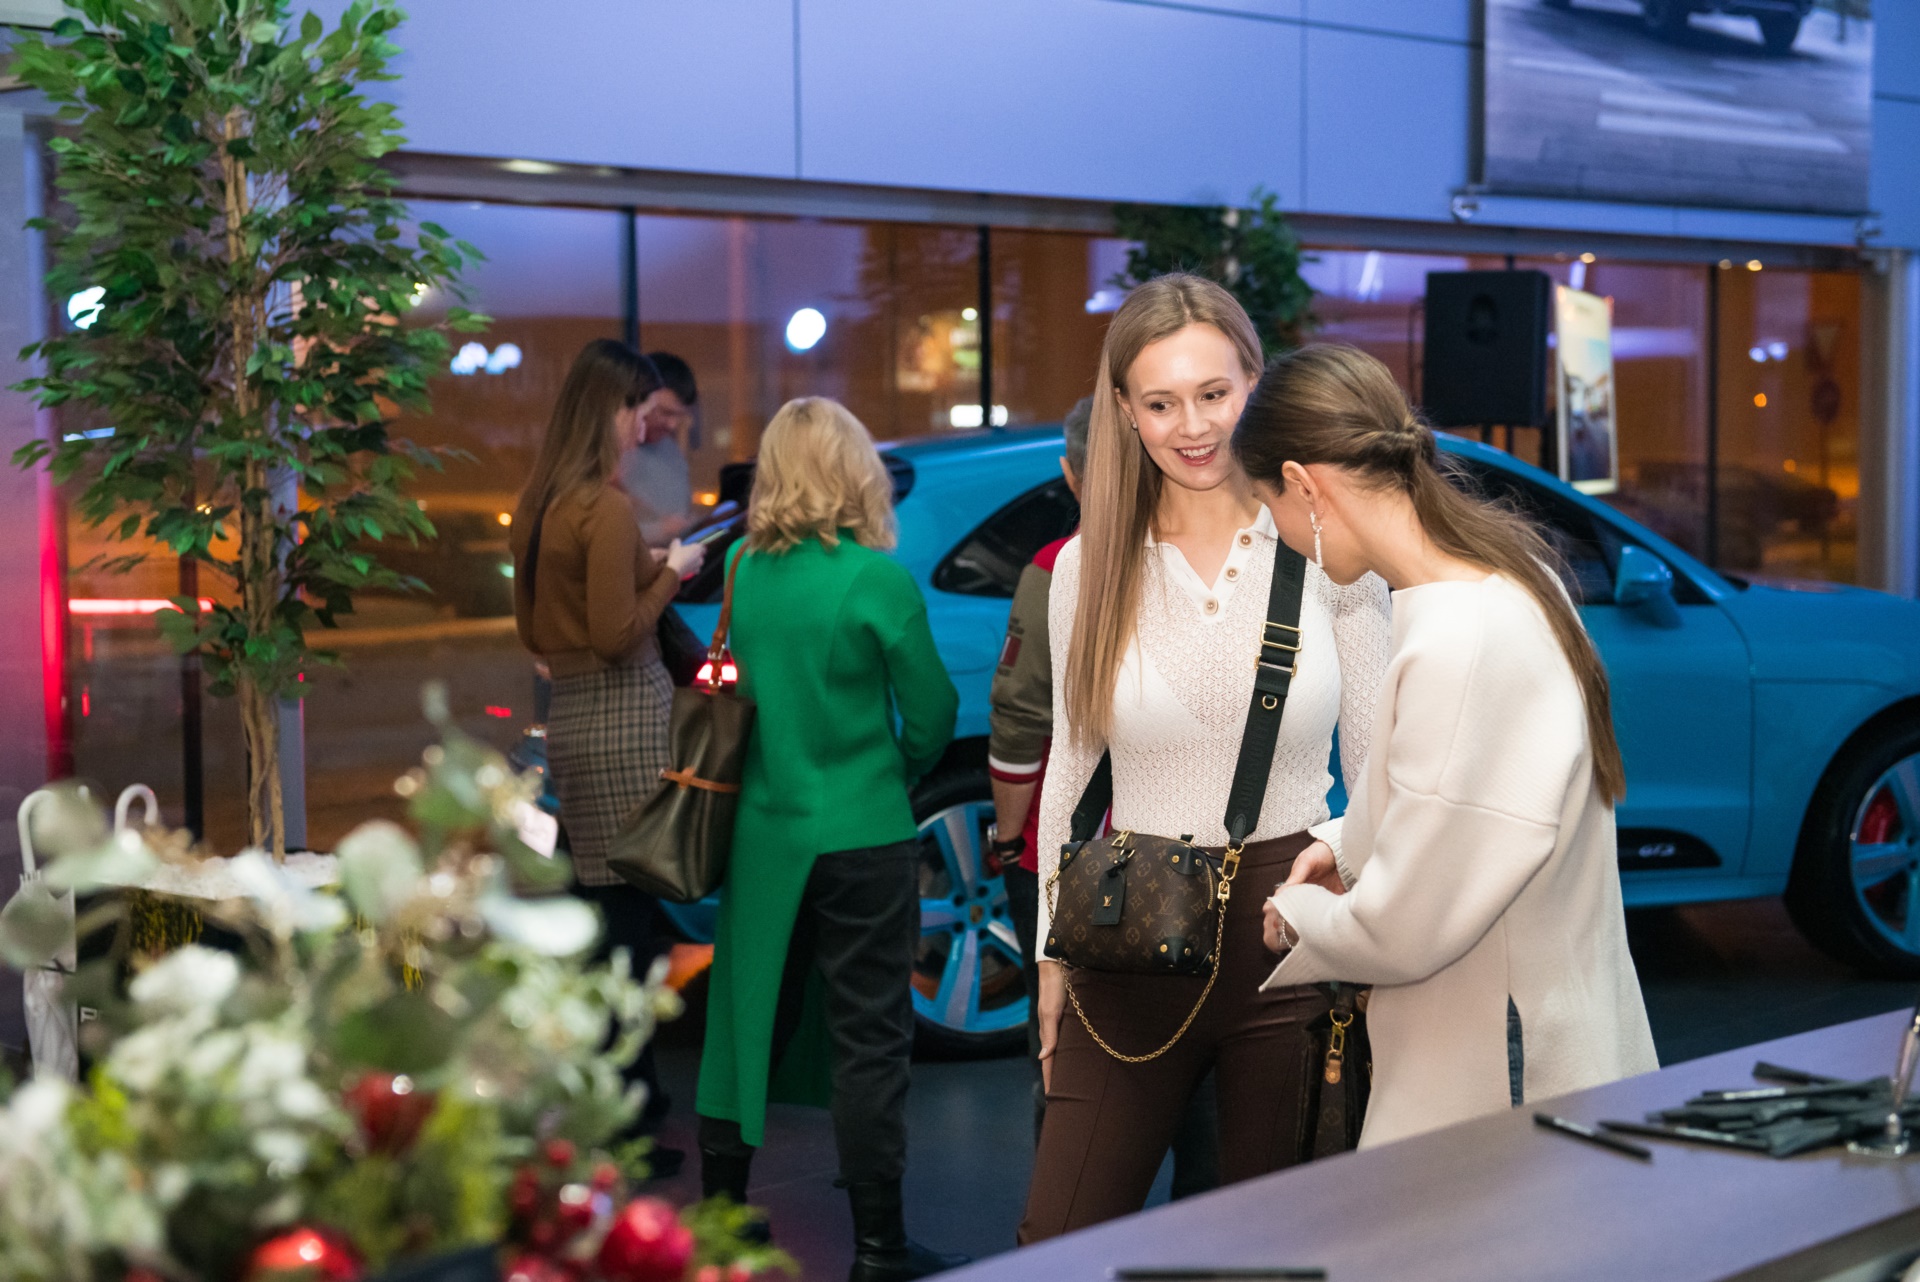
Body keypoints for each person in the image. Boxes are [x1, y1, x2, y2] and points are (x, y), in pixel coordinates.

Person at [1019, 276, 1393, 1243]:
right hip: (1126, 925)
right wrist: (1049, 957)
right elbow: (1071, 769)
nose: (1192, 426)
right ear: (1124, 411)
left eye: (1214, 393)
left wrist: (1356, 884)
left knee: (1269, 1250)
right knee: (1055, 1238)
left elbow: (1381, 760)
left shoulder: (1326, 540)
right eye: (1161, 402)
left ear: (1254, 383)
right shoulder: (1089, 564)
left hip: (1290, 927)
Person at [1240, 343, 1659, 1149]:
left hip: (1500, 1069)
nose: (1276, 531)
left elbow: (1409, 925)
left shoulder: (1457, 639)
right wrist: (1349, 846)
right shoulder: (1503, 577)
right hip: (1534, 1041)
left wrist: (1299, 917)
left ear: (1303, 484)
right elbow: (1474, 812)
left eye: (1268, 504)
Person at [696, 398, 968, 1282]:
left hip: (761, 835)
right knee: (869, 1038)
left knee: (742, 1021)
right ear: (855, 471)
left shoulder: (740, 566)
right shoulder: (875, 581)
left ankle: (722, 1220)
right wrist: (894, 767)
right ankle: (880, 1247)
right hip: (862, 830)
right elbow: (933, 713)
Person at [989, 396, 1222, 1199]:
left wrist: (1010, 837)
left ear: (1071, 473)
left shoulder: (1059, 566)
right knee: (1200, 1061)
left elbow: (1020, 718)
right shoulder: (1212, 561)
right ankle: (1202, 1231)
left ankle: (1072, 1222)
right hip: (1195, 851)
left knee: (1068, 1054)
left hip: (1082, 853)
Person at [510, 339, 705, 1161]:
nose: (642, 427)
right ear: (609, 410)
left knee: (607, 919)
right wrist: (674, 572)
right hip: (627, 717)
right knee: (629, 929)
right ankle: (627, 1112)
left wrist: (640, 568)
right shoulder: (607, 507)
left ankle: (625, 1099)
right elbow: (619, 634)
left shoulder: (543, 505)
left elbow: (540, 635)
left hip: (574, 720)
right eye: (635, 410)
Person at [622, 350, 698, 545]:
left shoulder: (671, 452)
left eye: (679, 416)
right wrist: (661, 530)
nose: (672, 425)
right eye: (665, 413)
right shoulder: (614, 455)